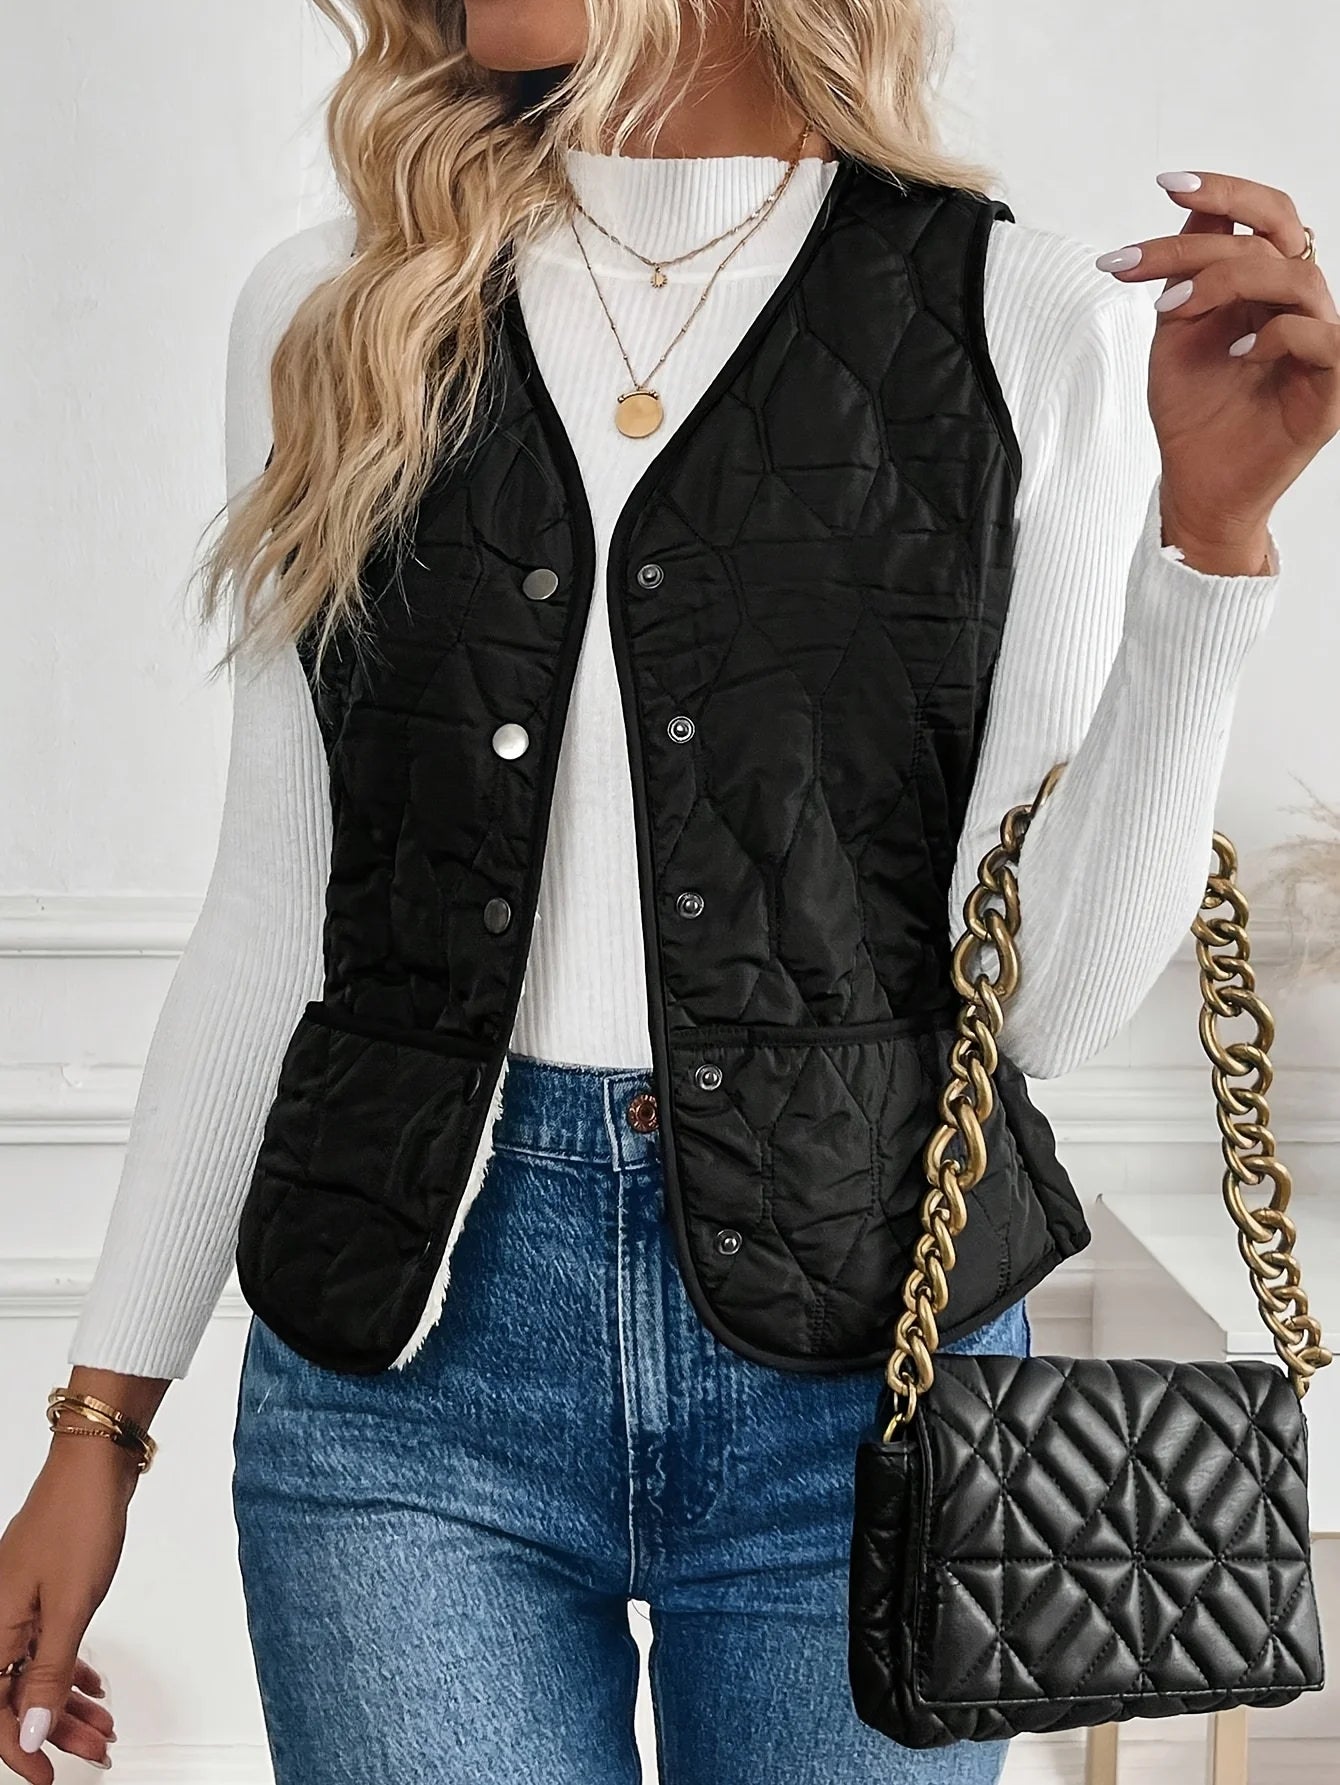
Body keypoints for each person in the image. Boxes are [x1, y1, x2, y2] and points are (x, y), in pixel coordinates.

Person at [3, 2, 1337, 1781]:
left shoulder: (1024, 319)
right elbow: (274, 904)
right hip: (403, 1394)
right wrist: (98, 1423)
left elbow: (1038, 1006)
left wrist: (1212, 555)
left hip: (870, 1388)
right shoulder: (338, 305)